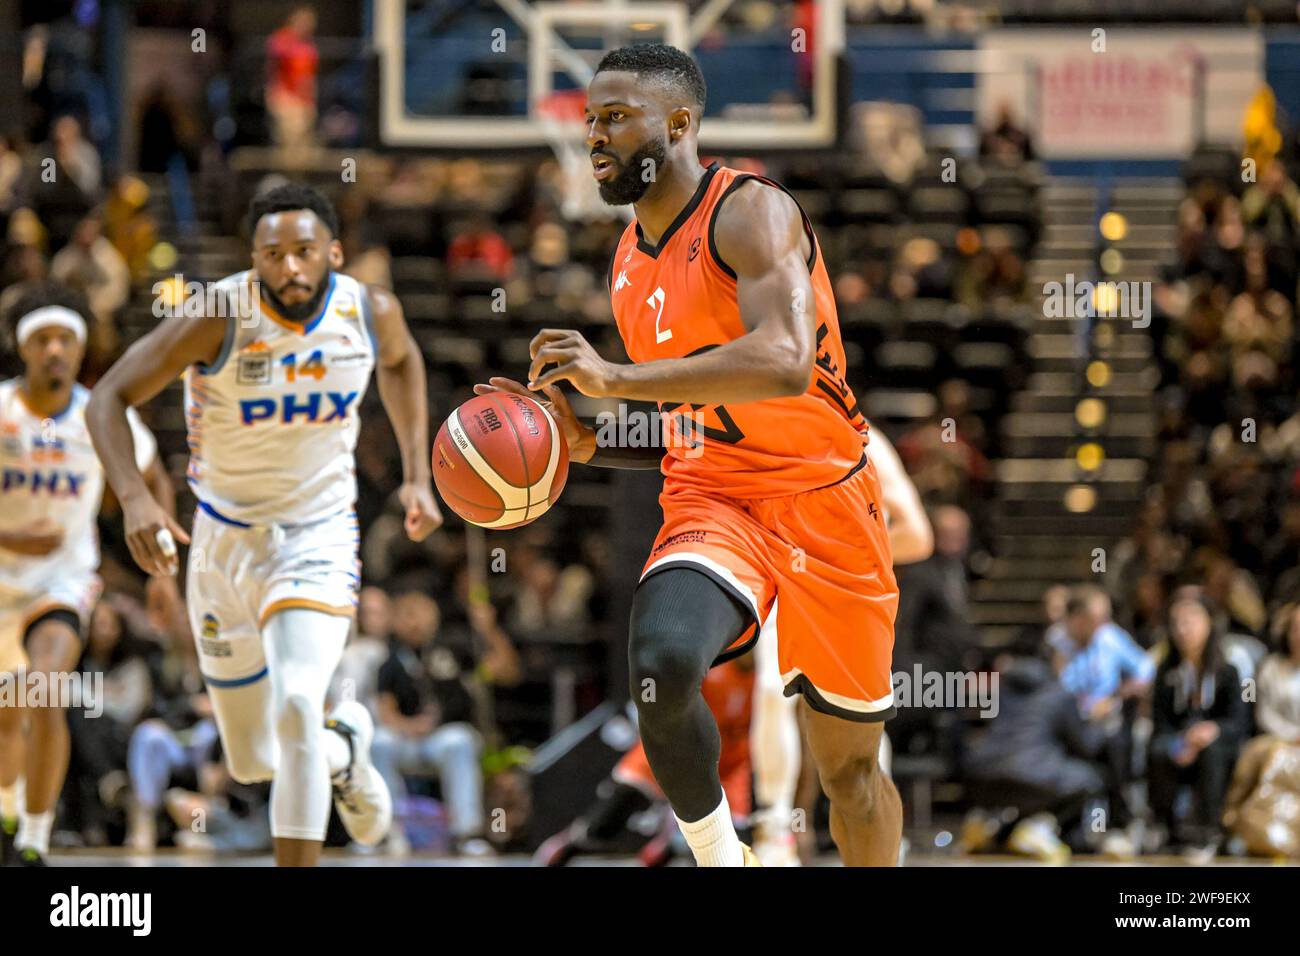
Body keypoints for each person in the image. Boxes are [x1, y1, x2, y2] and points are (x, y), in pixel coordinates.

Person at [476, 43, 900, 866]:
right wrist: (590, 438)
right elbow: (692, 421)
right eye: (590, 120)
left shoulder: (751, 211)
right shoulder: (630, 264)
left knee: (849, 774)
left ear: (679, 123)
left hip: (826, 501)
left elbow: (784, 363)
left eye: (614, 118)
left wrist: (615, 378)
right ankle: (720, 854)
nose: (594, 136)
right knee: (662, 666)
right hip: (715, 499)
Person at [86, 183, 443, 866]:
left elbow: (400, 362)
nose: (289, 268)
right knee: (253, 762)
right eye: (271, 254)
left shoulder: (369, 310)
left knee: (298, 702)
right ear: (253, 258)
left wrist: (416, 473)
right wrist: (134, 497)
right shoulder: (216, 313)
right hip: (222, 541)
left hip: (318, 535)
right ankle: (346, 744)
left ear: (333, 253)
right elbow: (107, 399)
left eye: (305, 251)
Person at [0, 284, 170, 866]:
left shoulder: (101, 416)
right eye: (43, 339)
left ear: (80, 349)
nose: (55, 351)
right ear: (23, 349)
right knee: (6, 715)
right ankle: (9, 806)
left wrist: (161, 569)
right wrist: (11, 537)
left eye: (65, 340)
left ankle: (34, 838)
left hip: (61, 582)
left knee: (44, 688)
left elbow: (152, 478)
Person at [749, 426, 932, 866]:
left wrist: (846, 555)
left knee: (859, 720)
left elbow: (918, 535)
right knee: (774, 695)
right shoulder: (763, 422)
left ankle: (876, 830)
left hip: (843, 587)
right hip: (782, 582)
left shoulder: (862, 438)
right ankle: (777, 829)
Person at [371, 586, 519, 856]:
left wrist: (489, 629)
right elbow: (386, 711)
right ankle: (386, 830)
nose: (414, 621)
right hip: (408, 741)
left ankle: (466, 832)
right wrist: (411, 726)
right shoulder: (391, 660)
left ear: (434, 615)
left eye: (420, 612)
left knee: (459, 740)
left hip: (443, 739)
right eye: (406, 614)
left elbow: (507, 671)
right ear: (395, 620)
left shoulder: (456, 648)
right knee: (379, 741)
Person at [1148, 593, 1250, 859]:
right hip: (1179, 740)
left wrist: (1212, 730)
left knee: (1212, 751)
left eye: (1191, 621)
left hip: (1216, 742)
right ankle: (1166, 829)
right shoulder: (1166, 670)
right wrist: (1182, 742)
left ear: (1208, 624)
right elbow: (1160, 722)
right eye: (1177, 623)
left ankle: (1208, 832)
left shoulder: (1228, 670)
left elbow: (1238, 722)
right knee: (1159, 750)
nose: (1184, 629)